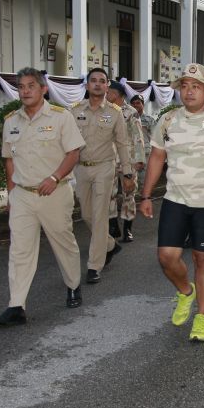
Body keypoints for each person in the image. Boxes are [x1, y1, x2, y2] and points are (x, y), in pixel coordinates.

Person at [139, 63, 204, 342]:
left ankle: (202, 317)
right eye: (185, 86)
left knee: (202, 258)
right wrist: (146, 194)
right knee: (166, 257)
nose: (189, 91)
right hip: (176, 198)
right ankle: (186, 291)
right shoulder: (169, 119)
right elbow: (157, 158)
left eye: (195, 86)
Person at [0, 68, 86, 326]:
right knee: (20, 250)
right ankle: (16, 305)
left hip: (54, 192)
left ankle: (73, 285)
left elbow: (73, 153)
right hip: (22, 194)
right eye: (21, 86)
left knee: (63, 242)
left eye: (31, 86)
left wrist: (54, 178)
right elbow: (9, 161)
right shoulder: (12, 121)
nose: (25, 91)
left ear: (43, 89)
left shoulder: (61, 117)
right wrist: (11, 195)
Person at [69, 68, 133, 285]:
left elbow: (123, 144)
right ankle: (110, 245)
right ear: (87, 85)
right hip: (81, 169)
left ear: (107, 86)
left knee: (99, 215)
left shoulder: (115, 113)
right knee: (86, 214)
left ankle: (94, 265)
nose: (97, 84)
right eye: (93, 81)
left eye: (102, 81)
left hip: (105, 168)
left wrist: (127, 172)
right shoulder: (74, 111)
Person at [107, 81, 146, 242]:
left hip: (127, 160)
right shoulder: (105, 111)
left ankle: (127, 229)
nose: (106, 93)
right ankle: (112, 225)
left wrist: (139, 159)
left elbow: (138, 137)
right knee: (110, 194)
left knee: (129, 194)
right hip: (108, 159)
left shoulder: (130, 112)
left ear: (117, 94)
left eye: (109, 91)